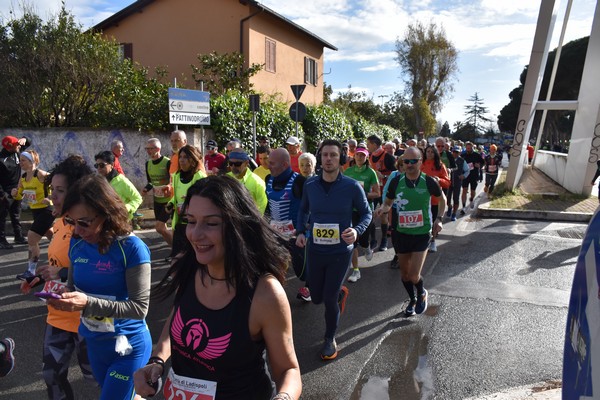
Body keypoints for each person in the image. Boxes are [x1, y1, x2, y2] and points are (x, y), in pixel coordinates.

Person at [133, 176, 302, 400]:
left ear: (238, 226)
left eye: (211, 223)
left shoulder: (265, 293)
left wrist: (284, 397)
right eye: (191, 221)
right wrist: (157, 360)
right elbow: (178, 317)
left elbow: (288, 369)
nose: (195, 234)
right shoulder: (188, 267)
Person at [46, 174, 152, 400]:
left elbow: (139, 308)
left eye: (84, 222)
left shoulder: (132, 248)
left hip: (127, 346)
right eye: (70, 222)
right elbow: (74, 288)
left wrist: (88, 303)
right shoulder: (77, 242)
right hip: (95, 344)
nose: (77, 230)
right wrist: (62, 295)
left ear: (106, 214)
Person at [20, 155, 94, 400]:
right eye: (53, 190)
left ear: (78, 191)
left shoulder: (90, 227)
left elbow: (101, 269)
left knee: (98, 379)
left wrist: (61, 273)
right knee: (52, 376)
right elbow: (57, 263)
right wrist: (40, 277)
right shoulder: (59, 223)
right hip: (58, 315)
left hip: (89, 319)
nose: (54, 196)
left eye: (60, 191)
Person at [296, 139, 372, 360]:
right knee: (317, 297)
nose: (328, 159)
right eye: (325, 155)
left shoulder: (351, 186)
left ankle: (329, 338)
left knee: (328, 299)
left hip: (341, 252)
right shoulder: (310, 185)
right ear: (320, 158)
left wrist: (357, 231)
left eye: (333, 155)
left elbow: (366, 214)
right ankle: (338, 293)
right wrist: (301, 231)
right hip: (316, 251)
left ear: (341, 159)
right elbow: (303, 211)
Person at [376, 146, 445, 317]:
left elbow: (442, 200)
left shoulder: (429, 181)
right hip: (401, 233)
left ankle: (422, 293)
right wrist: (383, 209)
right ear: (402, 163)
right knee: (405, 275)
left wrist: (440, 219)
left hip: (422, 233)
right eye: (406, 161)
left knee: (414, 275)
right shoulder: (395, 181)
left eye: (414, 161)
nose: (410, 164)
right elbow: (388, 202)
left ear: (421, 162)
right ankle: (412, 299)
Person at [266, 148, 309, 301]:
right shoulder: (268, 179)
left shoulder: (300, 182)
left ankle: (310, 284)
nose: (267, 166)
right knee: (273, 264)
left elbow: (309, 208)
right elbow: (269, 206)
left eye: (272, 163)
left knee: (302, 271)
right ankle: (276, 293)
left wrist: (303, 230)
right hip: (275, 232)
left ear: (284, 165)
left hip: (296, 234)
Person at [13, 150, 55, 281]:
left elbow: (57, 185)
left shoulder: (41, 175)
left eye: (23, 160)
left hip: (47, 210)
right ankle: (65, 259)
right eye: (20, 160)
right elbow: (20, 195)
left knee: (31, 238)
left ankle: (31, 271)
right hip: (36, 211)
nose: (21, 163)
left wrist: (50, 197)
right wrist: (15, 193)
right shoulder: (24, 178)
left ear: (32, 161)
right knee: (52, 237)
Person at [343, 146, 380, 282]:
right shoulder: (348, 171)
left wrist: (363, 195)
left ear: (366, 158)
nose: (360, 157)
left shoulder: (371, 173)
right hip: (350, 211)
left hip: (365, 211)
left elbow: (377, 193)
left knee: (363, 241)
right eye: (358, 155)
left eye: (362, 156)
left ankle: (368, 247)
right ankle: (356, 271)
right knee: (353, 242)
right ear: (354, 156)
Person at [167, 145, 207, 258]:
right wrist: (170, 204)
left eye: (186, 157)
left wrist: (190, 199)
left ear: (193, 159)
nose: (182, 160)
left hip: (194, 224)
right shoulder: (176, 176)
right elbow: (175, 197)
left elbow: (205, 200)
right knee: (177, 256)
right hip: (179, 222)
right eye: (180, 157)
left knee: (192, 257)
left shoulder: (199, 176)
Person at [141, 138, 173, 247]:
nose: (148, 151)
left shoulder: (167, 162)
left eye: (151, 148)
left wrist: (169, 186)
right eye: (147, 148)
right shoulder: (148, 164)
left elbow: (173, 180)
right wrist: (146, 189)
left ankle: (178, 249)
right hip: (157, 200)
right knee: (161, 229)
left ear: (158, 148)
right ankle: (174, 250)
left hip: (168, 201)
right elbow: (151, 182)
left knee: (159, 227)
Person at [367, 134, 397, 251]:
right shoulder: (369, 156)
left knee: (384, 216)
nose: (367, 146)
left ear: (374, 145)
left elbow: (396, 175)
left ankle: (384, 239)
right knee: (369, 215)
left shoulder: (388, 157)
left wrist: (383, 175)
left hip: (384, 190)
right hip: (373, 190)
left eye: (368, 144)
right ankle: (373, 239)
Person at [0, 135, 30, 249]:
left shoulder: (17, 151)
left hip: (17, 189)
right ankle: (1, 240)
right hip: (6, 192)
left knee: (16, 214)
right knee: (2, 217)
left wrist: (25, 139)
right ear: (9, 147)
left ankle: (19, 236)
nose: (19, 146)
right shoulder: (1, 159)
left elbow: (28, 142)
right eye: (16, 145)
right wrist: (2, 194)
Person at [94, 151, 142, 220]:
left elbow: (137, 199)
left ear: (112, 165)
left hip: (120, 222)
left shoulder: (121, 181)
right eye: (96, 165)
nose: (99, 168)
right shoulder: (99, 181)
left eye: (102, 165)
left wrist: (124, 208)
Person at [420, 145, 450, 253]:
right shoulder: (420, 164)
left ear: (436, 153)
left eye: (432, 152)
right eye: (427, 151)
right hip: (422, 199)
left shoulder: (440, 166)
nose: (429, 154)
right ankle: (423, 241)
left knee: (433, 222)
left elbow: (447, 183)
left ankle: (433, 241)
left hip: (435, 199)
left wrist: (439, 180)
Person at [226, 149, 267, 214]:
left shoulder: (257, 182)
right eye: (231, 163)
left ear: (246, 163)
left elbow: (262, 207)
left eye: (237, 164)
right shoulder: (226, 179)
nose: (233, 166)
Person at [460, 142, 485, 214]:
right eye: (467, 148)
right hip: (465, 176)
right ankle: (464, 207)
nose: (468, 149)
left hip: (474, 175)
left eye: (470, 148)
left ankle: (471, 199)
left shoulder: (477, 155)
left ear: (472, 148)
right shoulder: (463, 155)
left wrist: (479, 165)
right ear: (466, 148)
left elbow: (483, 162)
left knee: (472, 191)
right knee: (464, 190)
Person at [447, 146, 470, 221]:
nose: (455, 153)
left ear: (459, 152)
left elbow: (467, 170)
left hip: (457, 182)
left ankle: (454, 214)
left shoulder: (462, 161)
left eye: (457, 152)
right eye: (454, 152)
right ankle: (450, 207)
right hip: (448, 182)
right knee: (447, 199)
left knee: (456, 199)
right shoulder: (448, 159)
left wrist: (464, 176)